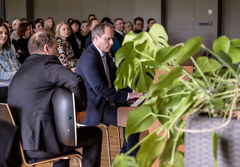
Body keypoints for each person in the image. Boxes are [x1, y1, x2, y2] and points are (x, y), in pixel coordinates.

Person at [8, 29, 102, 167]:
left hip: (20, 145)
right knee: (95, 134)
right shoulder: (46, 64)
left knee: (60, 130)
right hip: (42, 146)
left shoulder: (23, 69)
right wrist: (81, 109)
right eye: (56, 48)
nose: (58, 53)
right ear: (47, 48)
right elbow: (75, 81)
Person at [76, 23, 143, 156]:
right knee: (133, 119)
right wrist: (128, 96)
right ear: (96, 38)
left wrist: (133, 92)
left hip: (107, 102)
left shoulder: (103, 54)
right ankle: (129, 158)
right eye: (108, 39)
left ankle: (126, 155)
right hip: (95, 107)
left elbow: (114, 81)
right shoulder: (89, 58)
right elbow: (100, 89)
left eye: (112, 38)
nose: (112, 42)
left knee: (137, 113)